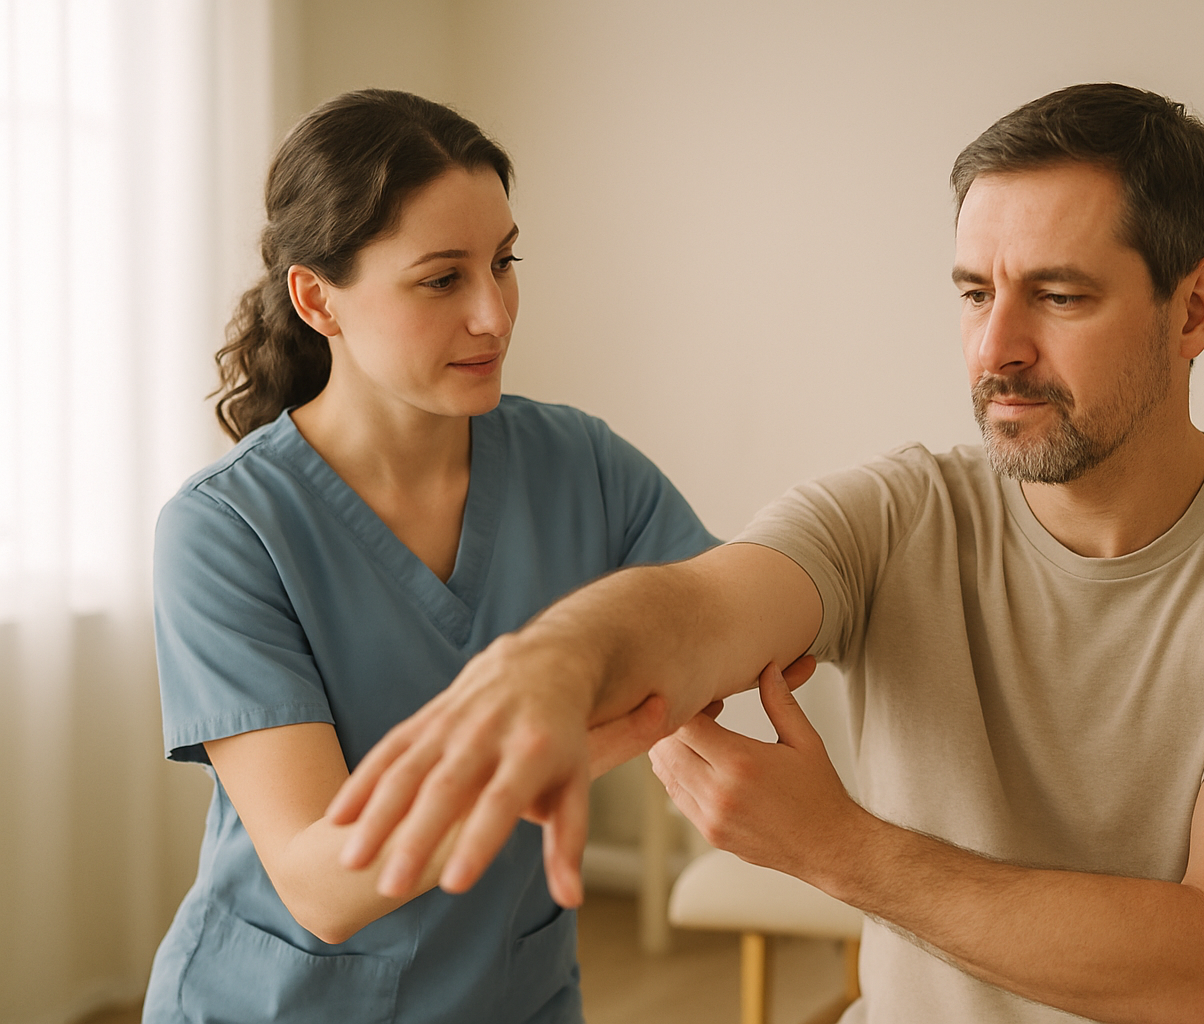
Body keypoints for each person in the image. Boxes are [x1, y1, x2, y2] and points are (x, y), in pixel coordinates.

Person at [327, 83, 1204, 1024]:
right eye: (973, 293)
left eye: (1058, 295)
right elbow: (702, 605)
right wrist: (558, 659)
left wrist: (838, 849)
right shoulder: (901, 510)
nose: (996, 348)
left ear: (1193, 308)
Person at [142, 89, 769, 1023]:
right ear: (317, 298)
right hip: (278, 1004)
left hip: (515, 993)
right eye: (443, 279)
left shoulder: (579, 463)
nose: (495, 315)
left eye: (504, 264)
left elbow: (726, 612)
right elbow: (323, 881)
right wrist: (554, 751)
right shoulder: (228, 528)